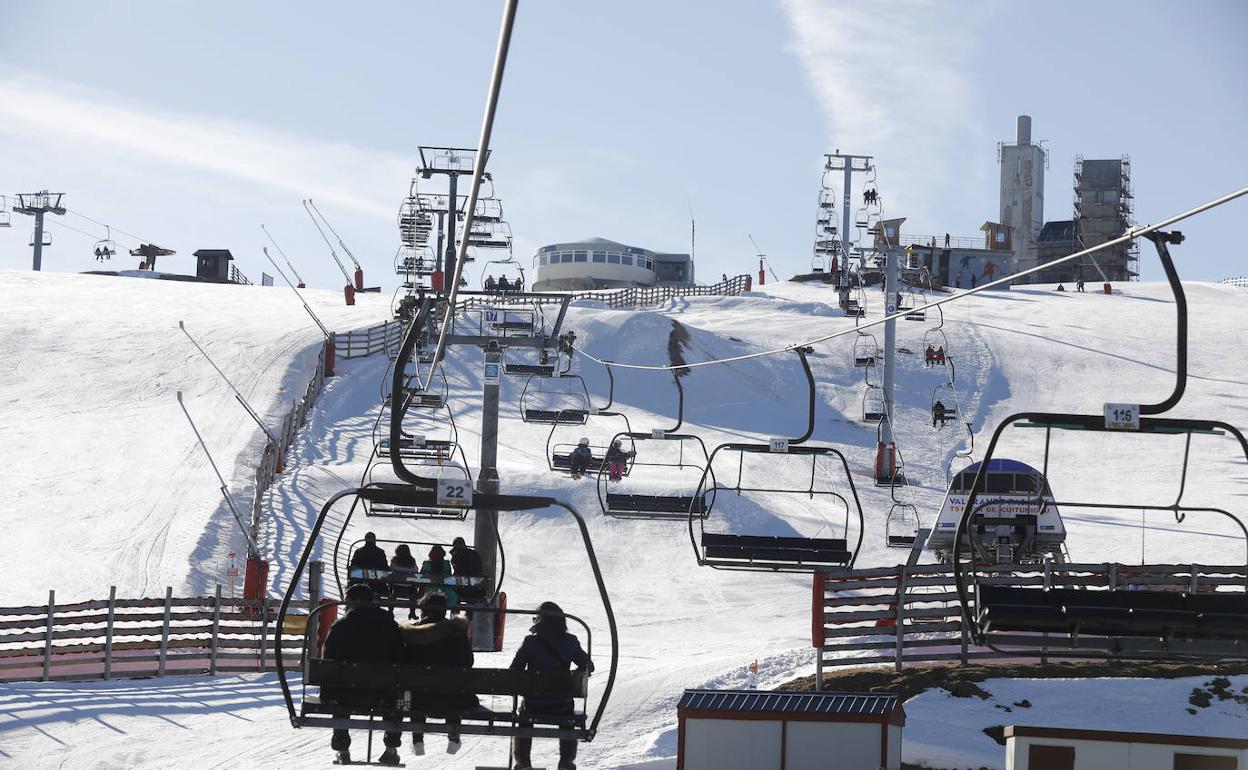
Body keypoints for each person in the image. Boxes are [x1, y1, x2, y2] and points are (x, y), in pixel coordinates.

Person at [323, 583, 405, 766]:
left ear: (352, 602)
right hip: (383, 696)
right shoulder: (390, 626)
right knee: (400, 692)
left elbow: (327, 660)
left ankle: (342, 748)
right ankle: (391, 748)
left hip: (345, 695)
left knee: (337, 686)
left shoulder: (340, 627)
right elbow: (401, 658)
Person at [510, 602, 593, 770]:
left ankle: (523, 762)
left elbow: (514, 670)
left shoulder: (530, 642)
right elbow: (588, 666)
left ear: (540, 620)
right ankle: (566, 761)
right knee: (568, 711)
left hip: (533, 704)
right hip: (561, 705)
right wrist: (572, 678)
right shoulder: (570, 641)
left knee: (524, 715)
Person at [401, 592, 476, 757]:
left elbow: (403, 663)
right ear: (444, 611)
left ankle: (417, 739)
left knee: (412, 688)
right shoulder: (457, 633)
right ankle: (453, 737)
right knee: (456, 684)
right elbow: (468, 661)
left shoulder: (413, 631)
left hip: (417, 699)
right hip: (452, 699)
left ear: (423, 609)